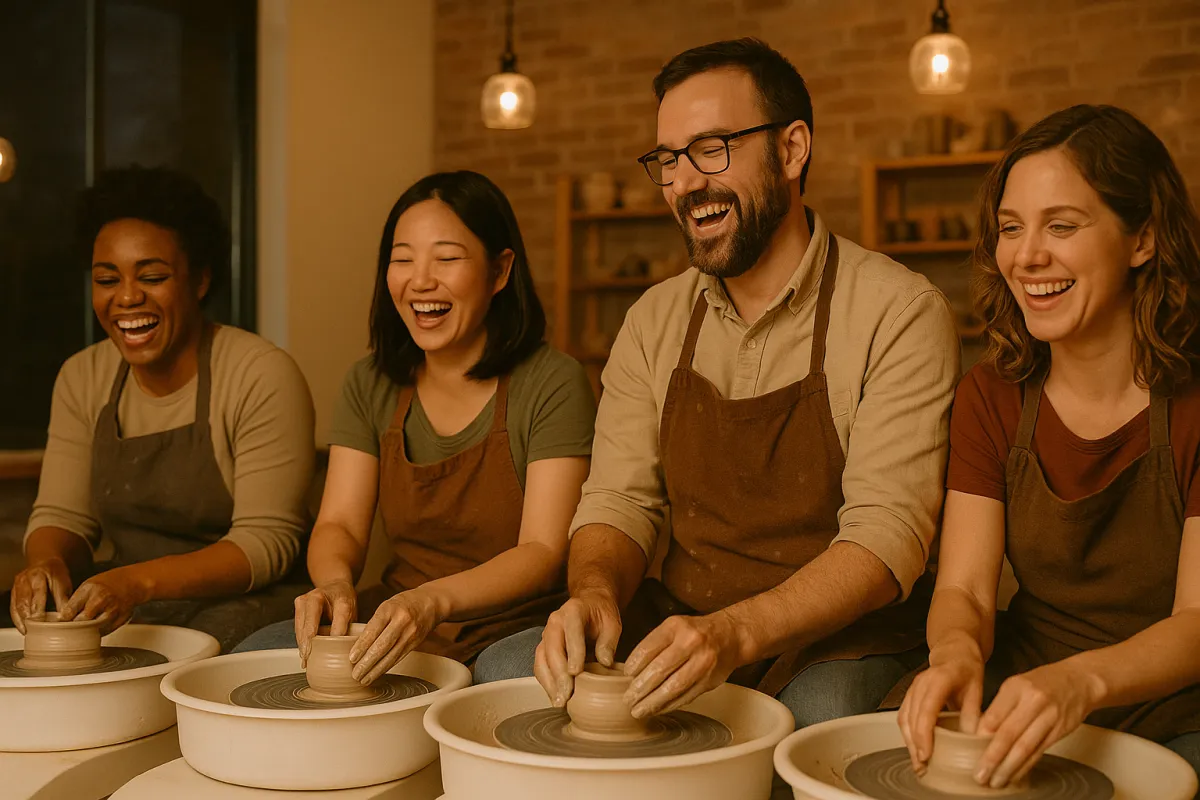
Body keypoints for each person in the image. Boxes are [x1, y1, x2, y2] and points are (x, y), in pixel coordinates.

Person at [472, 38, 960, 729]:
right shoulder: (654, 319)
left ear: (792, 151)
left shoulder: (899, 311)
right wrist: (595, 593)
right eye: (668, 160)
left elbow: (887, 536)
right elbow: (618, 502)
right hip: (688, 614)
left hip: (841, 636)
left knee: (815, 710)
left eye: (712, 149)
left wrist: (736, 634)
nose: (683, 183)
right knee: (507, 670)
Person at [897, 104, 1200, 790]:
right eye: (1010, 228)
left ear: (1143, 238)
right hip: (1028, 678)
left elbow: (1197, 621)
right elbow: (968, 591)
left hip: (1176, 700)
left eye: (1061, 225)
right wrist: (953, 652)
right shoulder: (991, 396)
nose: (1026, 255)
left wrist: (1080, 684)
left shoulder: (1192, 407)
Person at [234, 171, 595, 684]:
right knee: (248, 661)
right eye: (402, 259)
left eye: (446, 258)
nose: (420, 280)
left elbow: (542, 550)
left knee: (513, 679)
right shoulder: (370, 381)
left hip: (517, 625)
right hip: (398, 617)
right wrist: (336, 584)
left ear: (499, 271)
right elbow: (339, 523)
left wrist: (434, 600)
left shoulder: (552, 381)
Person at [9, 165, 316, 652]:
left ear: (199, 281)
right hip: (131, 598)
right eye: (107, 279)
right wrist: (47, 564)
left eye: (152, 276)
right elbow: (62, 516)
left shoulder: (260, 373)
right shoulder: (81, 376)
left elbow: (267, 543)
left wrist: (137, 583)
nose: (127, 297)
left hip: (248, 603)